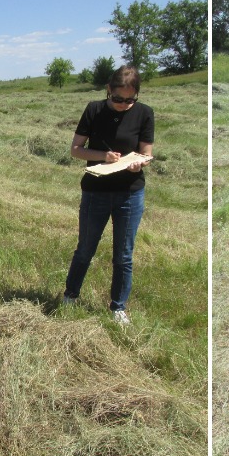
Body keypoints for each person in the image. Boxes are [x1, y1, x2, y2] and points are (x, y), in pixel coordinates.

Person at [62, 65, 154, 325]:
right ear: (108, 91)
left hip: (130, 194)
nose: (123, 105)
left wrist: (139, 162)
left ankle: (118, 307)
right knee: (85, 249)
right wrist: (102, 155)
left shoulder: (145, 114)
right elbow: (76, 150)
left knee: (123, 254)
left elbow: (146, 152)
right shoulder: (93, 109)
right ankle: (70, 295)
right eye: (117, 99)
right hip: (96, 192)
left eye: (129, 100)